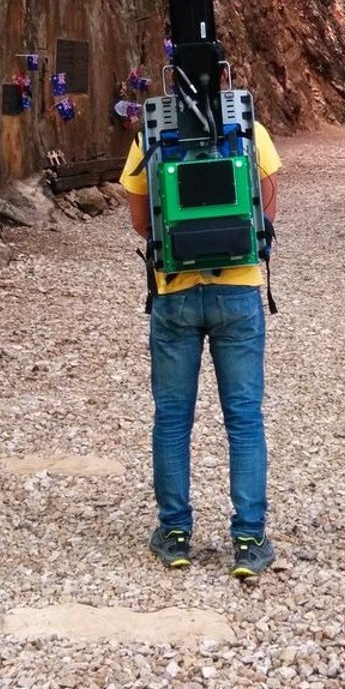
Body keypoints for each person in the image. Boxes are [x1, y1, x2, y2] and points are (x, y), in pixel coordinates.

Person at [120, 122, 281, 578]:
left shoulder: (150, 134)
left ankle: (174, 535)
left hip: (174, 291)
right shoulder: (248, 128)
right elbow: (265, 213)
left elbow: (139, 221)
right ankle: (249, 540)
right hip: (237, 294)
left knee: (172, 419)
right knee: (244, 418)